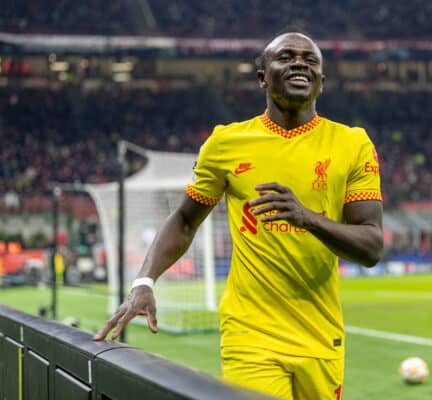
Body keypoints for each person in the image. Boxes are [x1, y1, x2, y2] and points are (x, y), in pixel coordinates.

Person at [93, 32, 383, 400]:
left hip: (320, 333)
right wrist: (144, 282)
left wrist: (307, 218)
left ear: (321, 82)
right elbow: (185, 220)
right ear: (262, 76)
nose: (299, 63)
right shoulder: (226, 143)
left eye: (310, 60)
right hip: (250, 333)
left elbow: (371, 245)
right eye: (286, 57)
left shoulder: (352, 144)